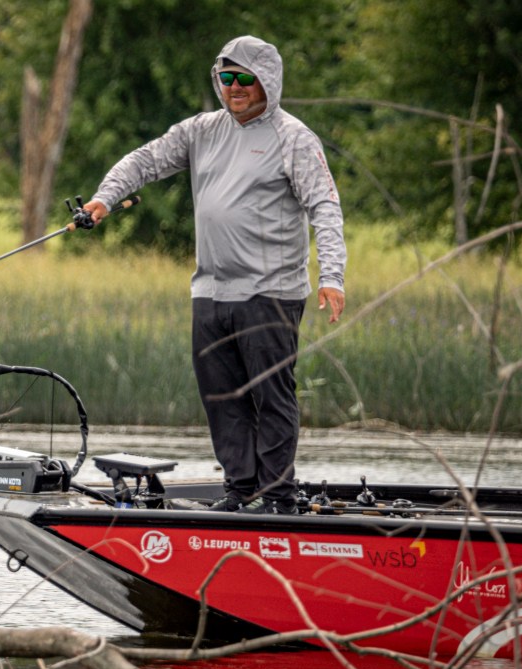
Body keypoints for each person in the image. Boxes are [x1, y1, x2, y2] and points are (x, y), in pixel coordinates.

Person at [83, 35, 346, 515]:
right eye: (227, 77)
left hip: (271, 292)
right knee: (222, 398)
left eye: (245, 77)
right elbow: (146, 160)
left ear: (268, 81)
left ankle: (278, 498)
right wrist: (105, 197)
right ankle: (241, 491)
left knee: (271, 396)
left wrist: (333, 275)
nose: (235, 87)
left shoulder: (294, 138)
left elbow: (325, 208)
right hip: (210, 291)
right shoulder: (201, 130)